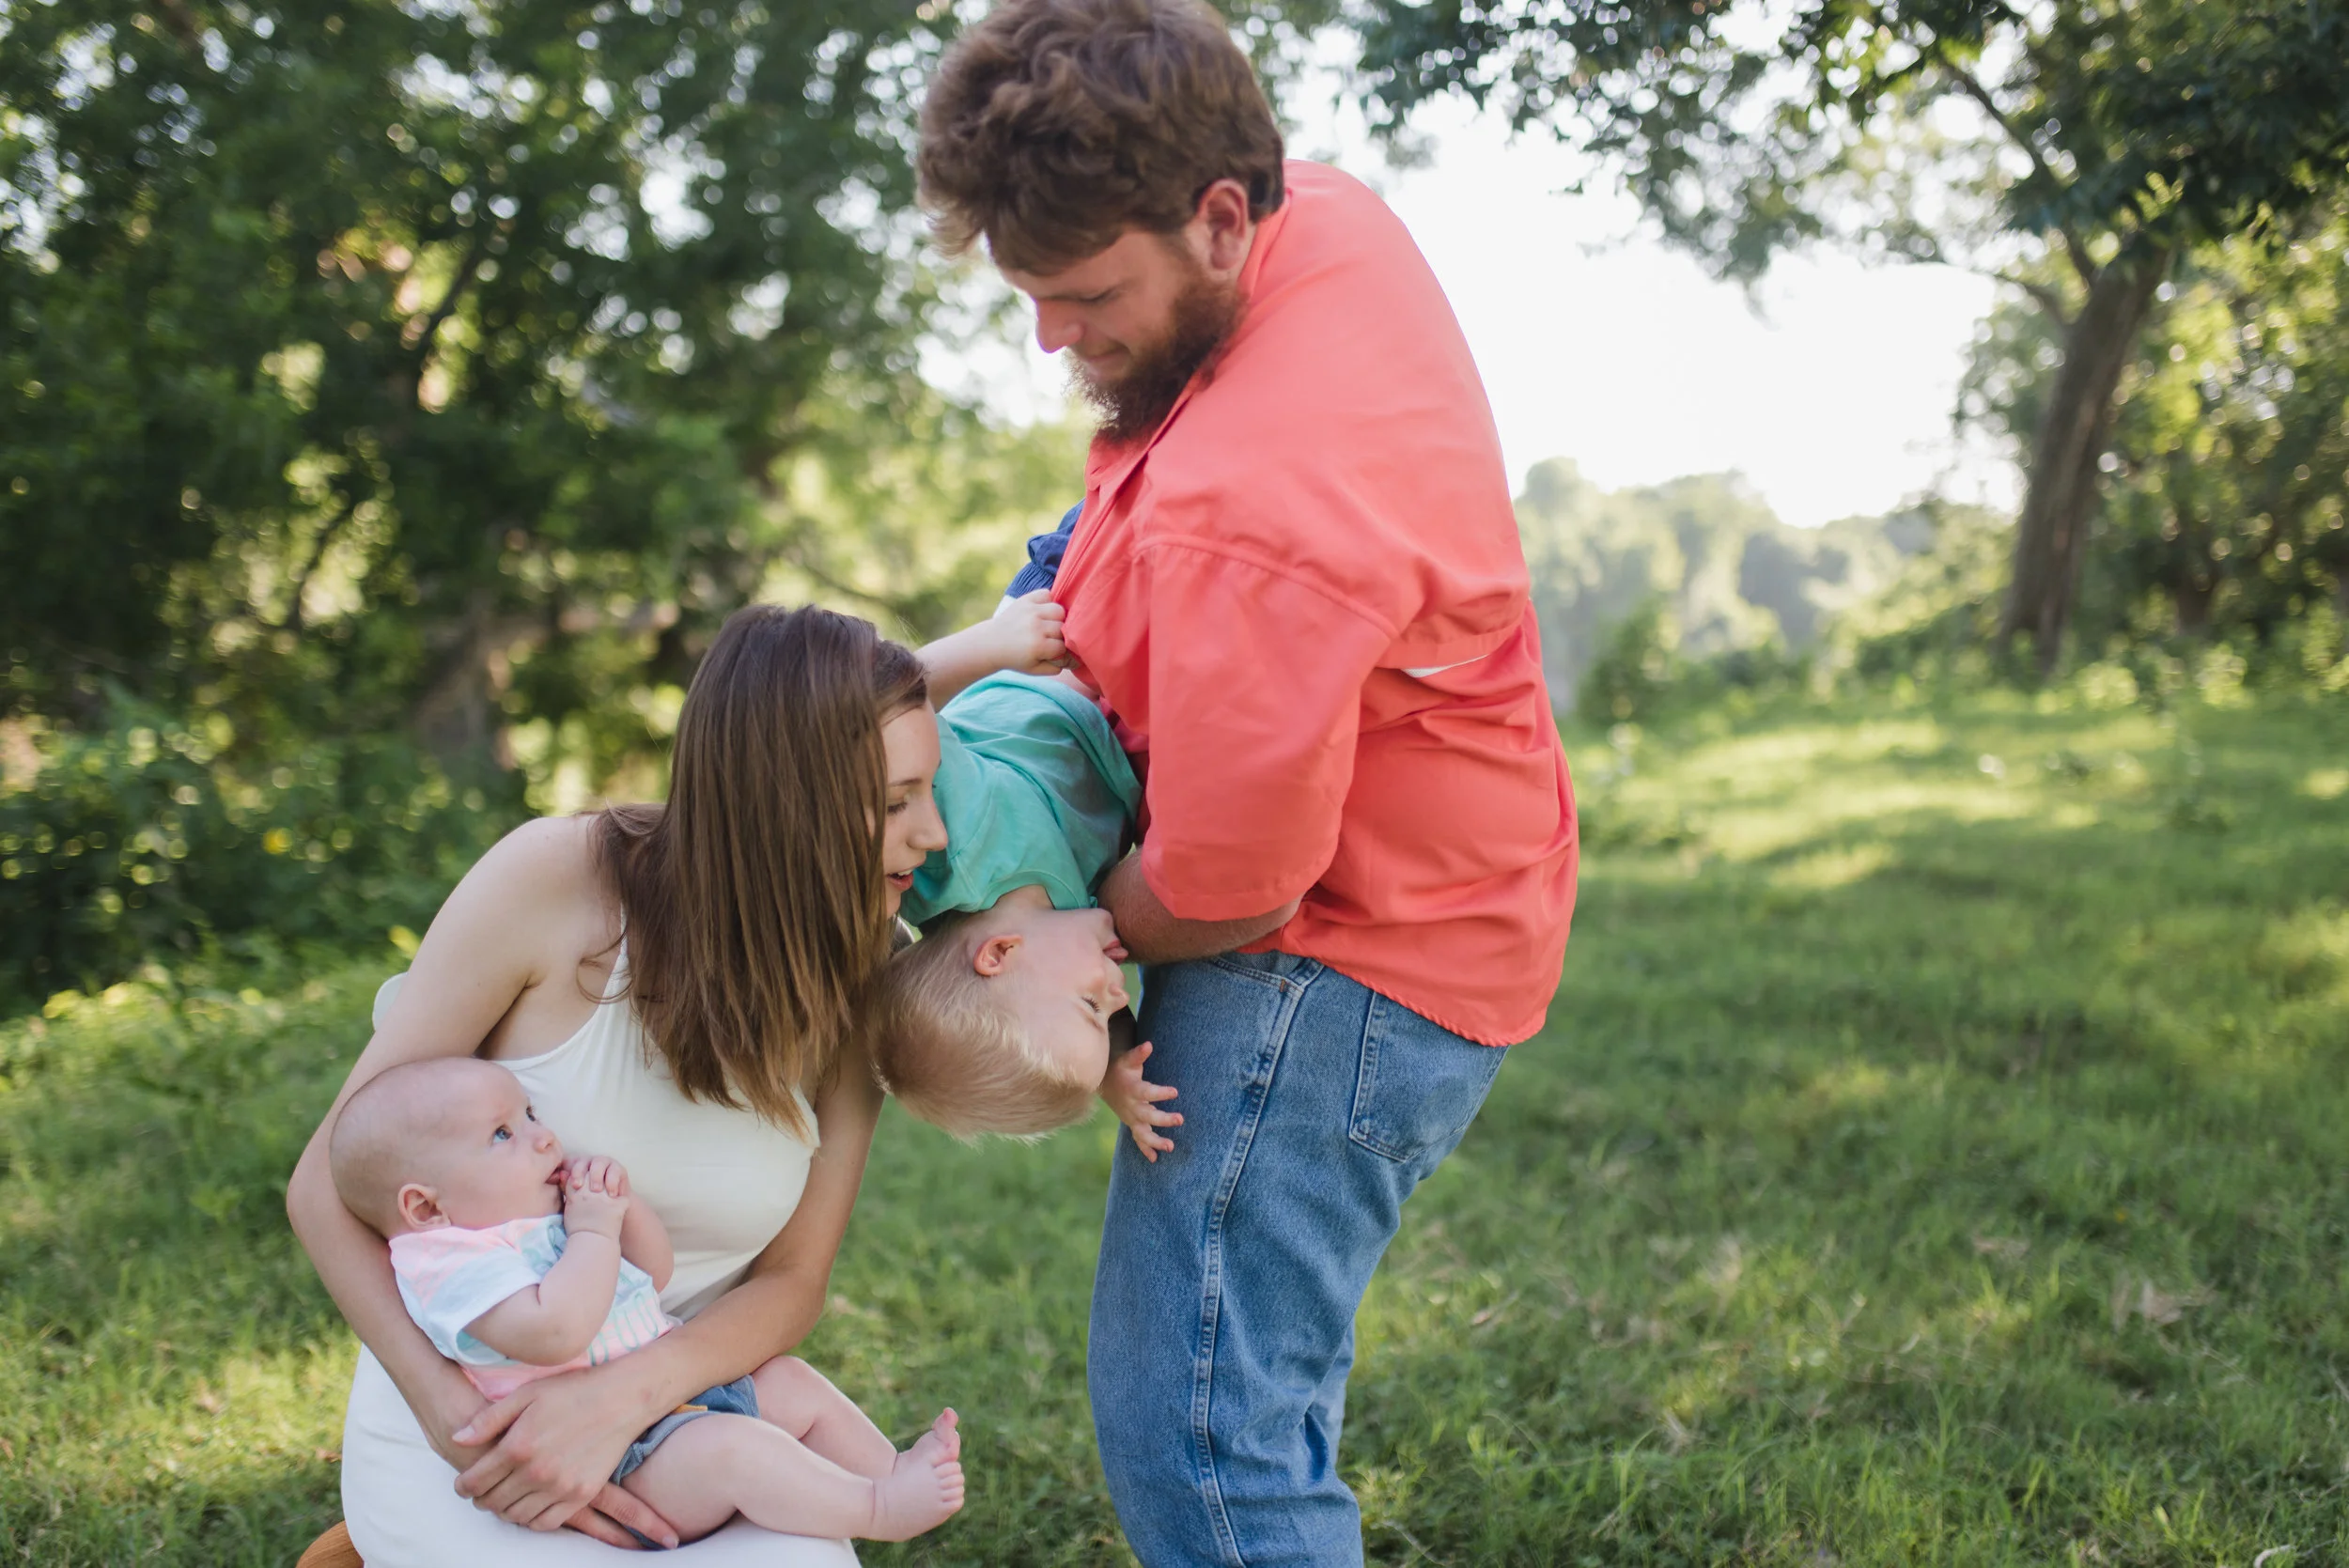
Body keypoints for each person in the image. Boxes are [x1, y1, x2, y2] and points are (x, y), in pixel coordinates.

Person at [917, 3, 1579, 1564]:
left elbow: (1229, 882)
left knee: (1203, 1435)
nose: (1050, 338)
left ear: (1220, 215)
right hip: (1444, 881)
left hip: (1334, 960)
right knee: (1254, 1394)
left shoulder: (1255, 507)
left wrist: (1063, 936)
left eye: (1084, 296)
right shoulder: (1317, 213)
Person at [287, 598, 1053, 1564]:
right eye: (895, 802)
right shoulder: (553, 883)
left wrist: (622, 1400)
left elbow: (792, 1282)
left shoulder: (862, 975)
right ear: (787, 801)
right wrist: (450, 1417)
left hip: (686, 1422)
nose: (931, 834)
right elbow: (323, 1183)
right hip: (481, 1421)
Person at [330, 1056, 965, 1545]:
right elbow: (555, 1330)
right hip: (620, 1458)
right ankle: (876, 1510)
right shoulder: (452, 1262)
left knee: (789, 1382)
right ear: (424, 1205)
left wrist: (623, 1207)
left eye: (528, 1115)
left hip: (667, 1397)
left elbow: (650, 1275)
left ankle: (891, 1469)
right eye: (502, 1134)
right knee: (733, 1452)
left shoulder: (537, 1217)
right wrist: (594, 1228)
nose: (542, 1137)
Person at [863, 653, 1174, 1149]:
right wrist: (1114, 1073)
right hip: (1114, 714)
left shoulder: (951, 847)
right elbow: (1070, 1021)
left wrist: (1000, 643)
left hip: (1050, 664)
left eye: (1090, 1004)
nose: (1119, 997)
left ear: (999, 953)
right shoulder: (1062, 927)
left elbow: (892, 706)